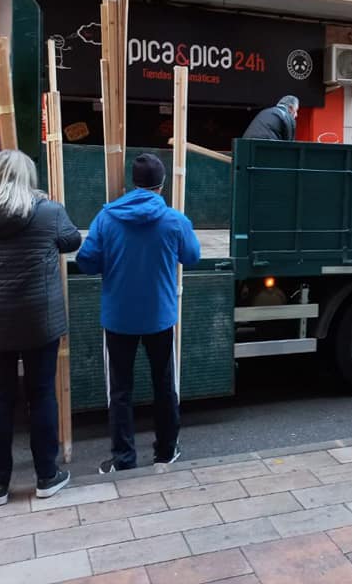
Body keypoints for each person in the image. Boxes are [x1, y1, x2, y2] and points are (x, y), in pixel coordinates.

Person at [0, 149, 81, 506]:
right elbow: (73, 241)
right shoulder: (48, 212)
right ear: (29, 177)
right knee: (41, 394)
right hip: (39, 319)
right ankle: (46, 476)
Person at [77, 153, 201, 472]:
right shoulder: (174, 220)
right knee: (164, 385)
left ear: (133, 183)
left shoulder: (106, 218)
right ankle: (165, 451)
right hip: (160, 316)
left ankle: (124, 459)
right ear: (161, 185)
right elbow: (192, 256)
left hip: (118, 318)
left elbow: (86, 262)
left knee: (120, 390)